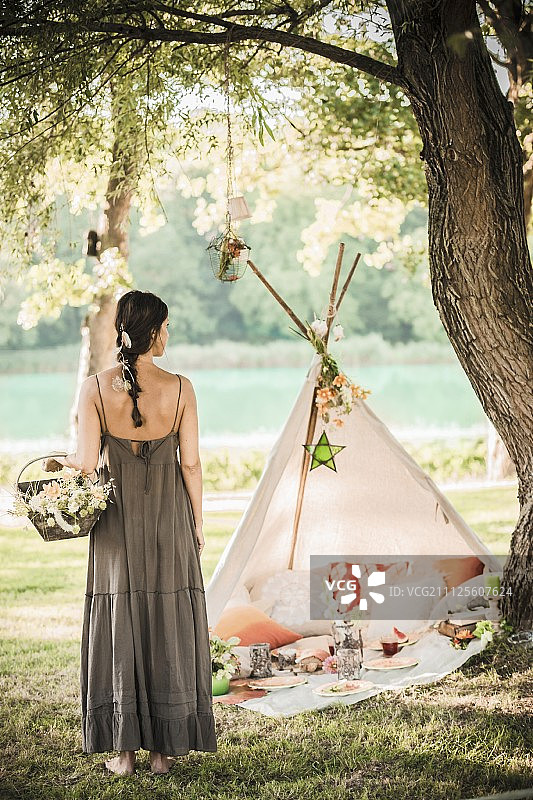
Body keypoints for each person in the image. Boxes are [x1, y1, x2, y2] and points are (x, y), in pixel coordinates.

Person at [54, 290, 217, 775]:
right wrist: (198, 521)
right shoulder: (182, 388)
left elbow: (86, 464)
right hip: (170, 517)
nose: (169, 334)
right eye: (165, 327)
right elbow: (191, 463)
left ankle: (123, 754)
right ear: (151, 333)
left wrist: (59, 467)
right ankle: (162, 754)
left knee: (119, 619)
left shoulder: (94, 388)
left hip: (116, 523)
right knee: (166, 618)